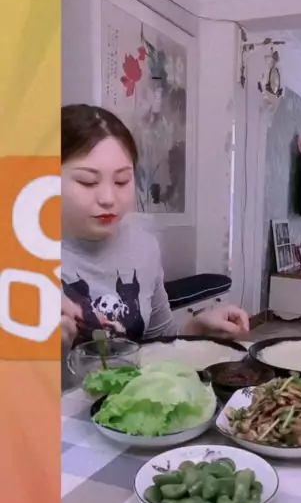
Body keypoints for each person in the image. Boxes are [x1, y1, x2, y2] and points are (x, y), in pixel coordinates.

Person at [61, 103, 249, 349]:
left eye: (122, 181)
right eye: (87, 182)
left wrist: (197, 329)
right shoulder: (22, 259)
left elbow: (159, 340)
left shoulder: (143, 246)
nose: (108, 198)